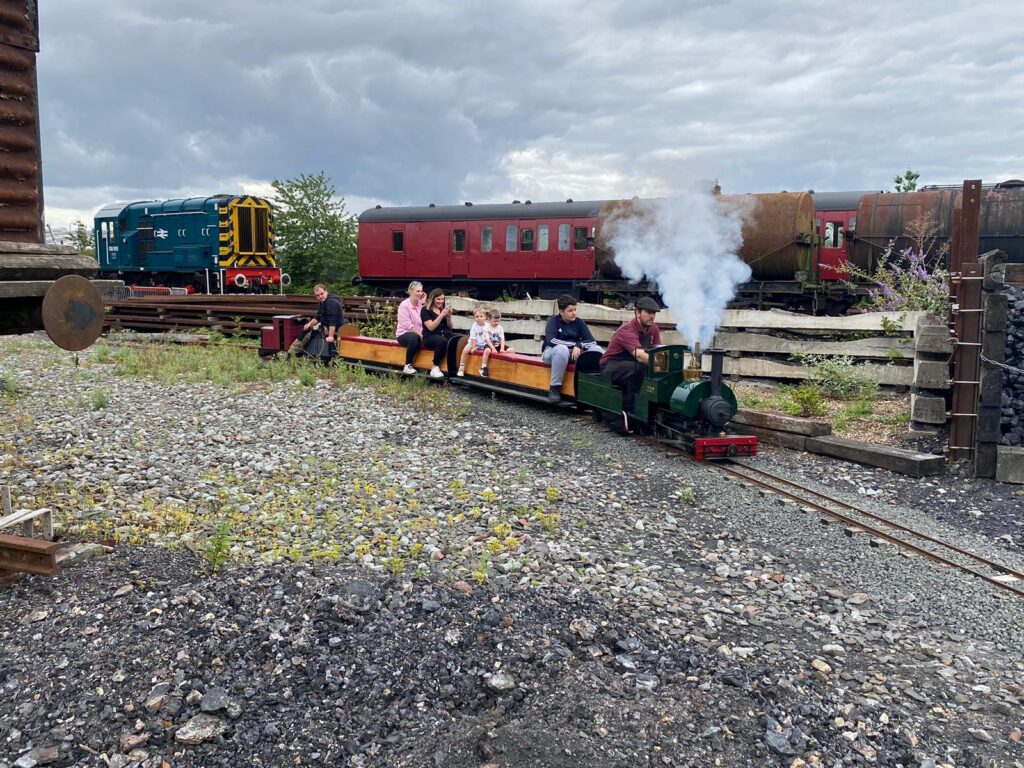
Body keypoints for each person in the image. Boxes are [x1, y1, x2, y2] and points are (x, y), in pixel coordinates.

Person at [599, 296, 663, 413]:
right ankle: (631, 410)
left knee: (647, 370)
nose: (652, 316)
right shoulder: (627, 330)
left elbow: (658, 351)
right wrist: (662, 365)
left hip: (631, 363)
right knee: (640, 368)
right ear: (638, 313)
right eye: (648, 312)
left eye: (654, 313)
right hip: (611, 364)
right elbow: (639, 355)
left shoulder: (653, 328)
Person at [541, 294, 603, 403]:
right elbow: (551, 340)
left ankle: (593, 386)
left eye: (575, 309)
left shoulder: (579, 322)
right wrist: (572, 345)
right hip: (552, 353)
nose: (574, 313)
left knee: (597, 349)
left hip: (573, 354)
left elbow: (592, 341)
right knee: (562, 349)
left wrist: (579, 345)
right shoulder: (553, 321)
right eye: (570, 310)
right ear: (561, 312)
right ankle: (555, 388)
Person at [421, 288, 456, 379]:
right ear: (433, 299)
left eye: (442, 299)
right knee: (442, 341)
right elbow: (431, 327)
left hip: (444, 333)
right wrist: (441, 315)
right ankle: (435, 367)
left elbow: (450, 326)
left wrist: (448, 317)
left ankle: (455, 367)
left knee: (458, 338)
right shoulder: (425, 310)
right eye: (438, 299)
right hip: (430, 336)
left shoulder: (442, 309)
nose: (441, 301)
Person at [303, 284, 344, 359]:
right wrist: (309, 324)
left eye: (322, 294)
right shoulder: (323, 301)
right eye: (317, 295)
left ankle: (334, 361)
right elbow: (318, 316)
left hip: (338, 330)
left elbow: (332, 320)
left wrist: (330, 336)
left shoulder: (331, 302)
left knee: (333, 348)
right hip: (329, 329)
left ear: (326, 291)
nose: (320, 297)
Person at [395, 281, 425, 375]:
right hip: (403, 334)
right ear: (410, 291)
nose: (420, 293)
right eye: (417, 291)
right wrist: (420, 335)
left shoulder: (421, 305)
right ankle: (407, 365)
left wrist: (424, 302)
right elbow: (408, 326)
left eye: (421, 291)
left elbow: (425, 321)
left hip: (418, 333)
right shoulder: (404, 305)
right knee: (414, 338)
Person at [479, 307, 512, 378]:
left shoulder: (500, 328)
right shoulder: (486, 328)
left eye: (498, 321)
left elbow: (502, 339)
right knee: (487, 351)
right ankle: (483, 367)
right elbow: (487, 340)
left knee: (511, 350)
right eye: (495, 321)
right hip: (489, 345)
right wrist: (493, 348)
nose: (497, 323)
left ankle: (507, 367)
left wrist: (502, 348)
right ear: (489, 320)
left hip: (498, 345)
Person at [457, 307, 488, 377]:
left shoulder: (487, 326)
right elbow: (473, 337)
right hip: (473, 342)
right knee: (465, 350)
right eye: (477, 317)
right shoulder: (474, 325)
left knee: (487, 351)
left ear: (485, 317)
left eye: (481, 316)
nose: (479, 318)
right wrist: (474, 347)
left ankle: (483, 367)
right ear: (474, 318)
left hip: (483, 343)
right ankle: (461, 368)